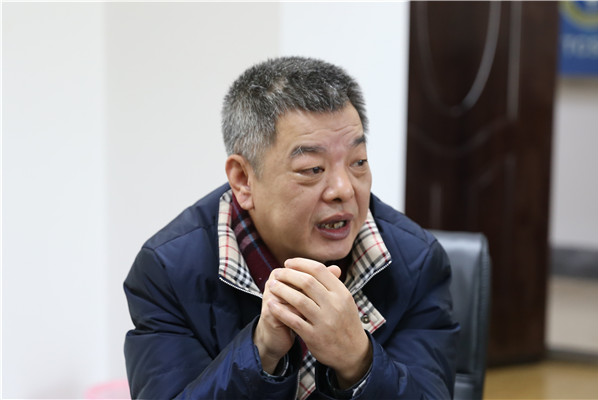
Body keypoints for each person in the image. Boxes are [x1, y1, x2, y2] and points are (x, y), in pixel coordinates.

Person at [124, 56, 459, 400]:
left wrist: (359, 360)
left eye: (358, 162)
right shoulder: (168, 272)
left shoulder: (416, 262)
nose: (344, 190)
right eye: (313, 169)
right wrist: (261, 350)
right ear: (243, 179)